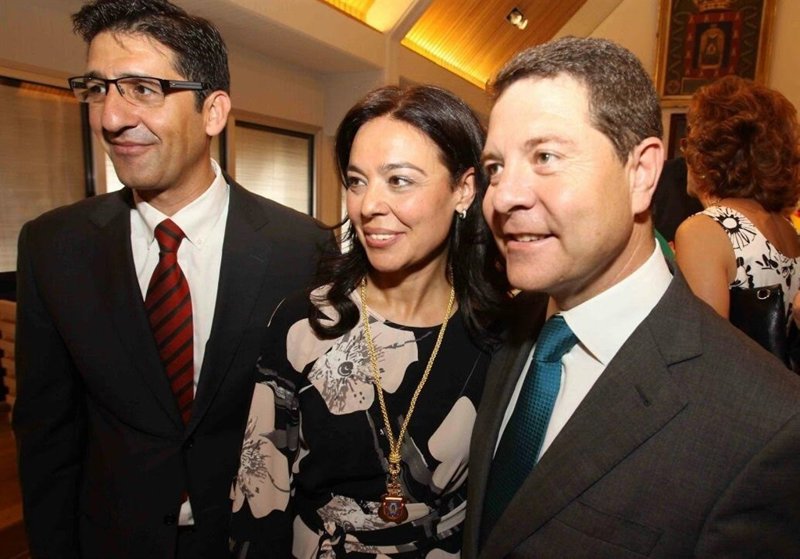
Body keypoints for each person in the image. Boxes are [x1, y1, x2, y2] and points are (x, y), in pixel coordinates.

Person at [12, 1, 331, 557]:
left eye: (142, 88)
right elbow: (47, 437)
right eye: (98, 89)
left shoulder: (302, 249)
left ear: (213, 112)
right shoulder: (53, 246)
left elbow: (316, 428)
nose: (110, 117)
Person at [463, 36, 800, 558]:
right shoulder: (506, 332)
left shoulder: (767, 425)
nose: (502, 196)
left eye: (545, 156)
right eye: (495, 168)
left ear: (641, 173)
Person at [230, 84, 510, 557]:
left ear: (463, 189)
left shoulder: (501, 335)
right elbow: (258, 497)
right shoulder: (305, 324)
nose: (367, 205)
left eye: (398, 180)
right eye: (357, 181)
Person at [674, 75, 800, 329]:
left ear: (707, 151)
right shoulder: (786, 228)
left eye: (690, 141)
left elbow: (705, 346)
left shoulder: (703, 232)